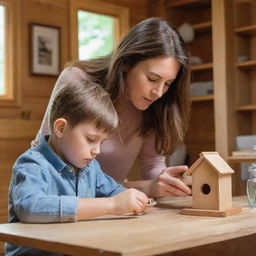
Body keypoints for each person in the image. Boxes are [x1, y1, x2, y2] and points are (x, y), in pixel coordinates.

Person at [32, 17, 192, 198]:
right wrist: (146, 188)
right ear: (125, 63)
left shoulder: (156, 106)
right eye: (152, 79)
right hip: (59, 202)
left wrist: (166, 183)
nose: (159, 92)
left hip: (110, 209)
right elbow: (44, 153)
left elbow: (152, 164)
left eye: (168, 83)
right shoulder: (76, 80)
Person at [6, 80, 149, 256]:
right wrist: (110, 205)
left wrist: (134, 200)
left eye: (101, 142)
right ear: (61, 128)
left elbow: (117, 193)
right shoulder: (32, 164)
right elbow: (30, 207)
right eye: (90, 139)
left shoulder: (90, 168)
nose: (97, 150)